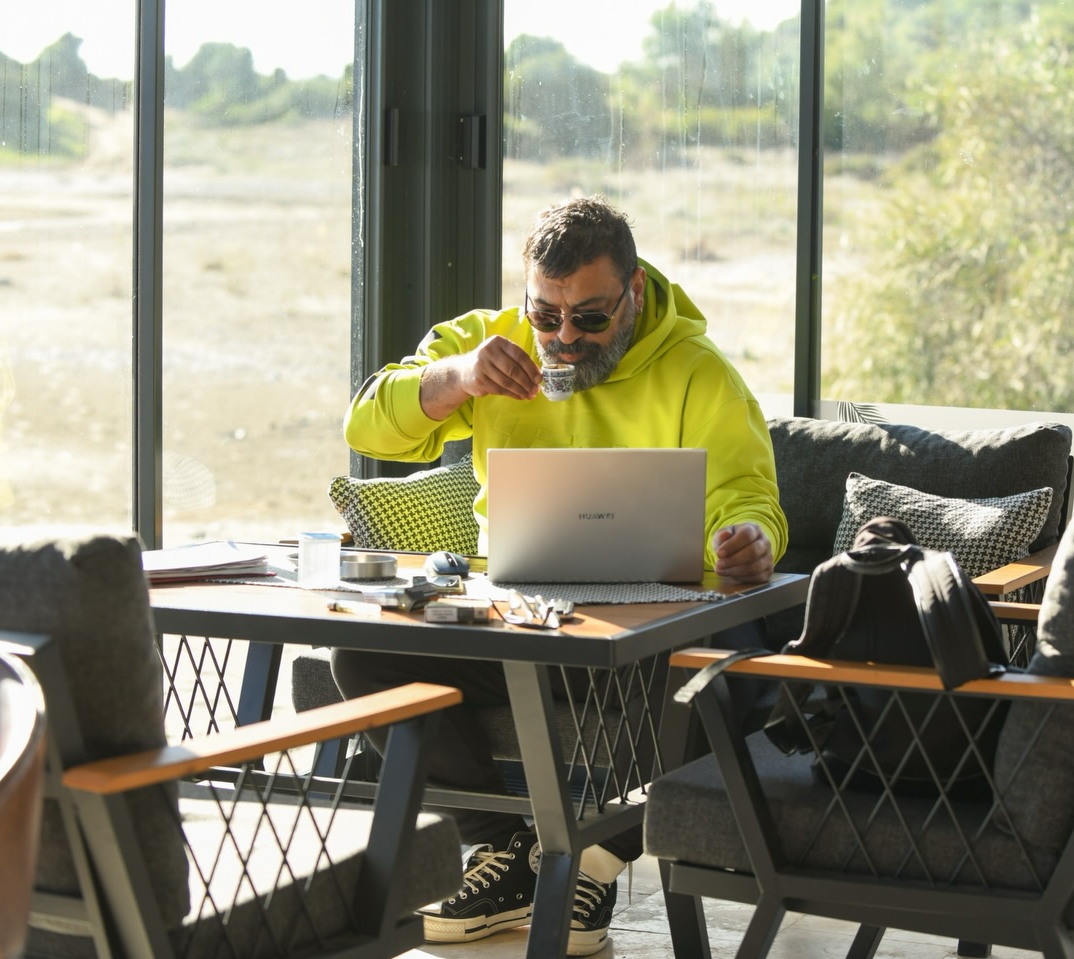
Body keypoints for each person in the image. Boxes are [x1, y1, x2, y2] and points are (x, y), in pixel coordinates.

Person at [331, 195, 787, 956]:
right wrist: (459, 377)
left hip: (644, 640)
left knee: (722, 676)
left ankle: (593, 862)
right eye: (546, 316)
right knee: (364, 654)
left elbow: (748, 500)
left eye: (590, 318)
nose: (564, 339)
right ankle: (506, 851)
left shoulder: (698, 374)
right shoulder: (489, 346)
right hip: (520, 627)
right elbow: (367, 423)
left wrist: (747, 540)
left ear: (633, 292)